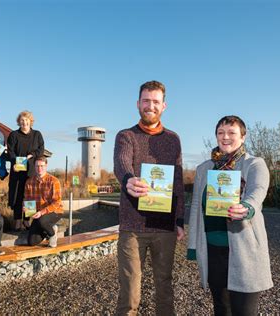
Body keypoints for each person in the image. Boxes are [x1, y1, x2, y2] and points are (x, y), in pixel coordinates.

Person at [187, 115, 273, 315]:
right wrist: (193, 245)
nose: (225, 137)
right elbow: (195, 209)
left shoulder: (254, 164)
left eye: (232, 132)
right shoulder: (204, 169)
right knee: (221, 308)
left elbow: (258, 190)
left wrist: (247, 207)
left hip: (244, 250)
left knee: (244, 311)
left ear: (243, 137)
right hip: (213, 250)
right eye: (220, 132)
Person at [113, 80, 185, 315]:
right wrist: (128, 180)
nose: (150, 106)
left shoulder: (173, 139)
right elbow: (122, 162)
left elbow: (177, 182)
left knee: (164, 288)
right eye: (146, 101)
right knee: (130, 293)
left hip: (164, 227)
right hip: (132, 227)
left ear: (164, 106)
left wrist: (179, 220)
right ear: (138, 104)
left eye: (155, 102)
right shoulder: (126, 136)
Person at [7, 111, 45, 231]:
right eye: (22, 120)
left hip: (31, 171)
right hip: (18, 170)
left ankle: (27, 220)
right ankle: (17, 221)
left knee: (30, 197)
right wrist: (15, 161)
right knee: (17, 195)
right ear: (19, 121)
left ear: (30, 121)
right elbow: (10, 151)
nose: (24, 122)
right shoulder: (14, 135)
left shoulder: (37, 135)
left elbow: (41, 149)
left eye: (26, 120)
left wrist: (31, 155)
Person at [23, 157, 63, 247]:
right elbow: (27, 199)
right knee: (32, 242)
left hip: (55, 211)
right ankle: (50, 229)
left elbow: (57, 202)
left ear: (46, 166)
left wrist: (42, 212)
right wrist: (28, 210)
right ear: (34, 166)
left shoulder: (54, 181)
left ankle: (52, 235)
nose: (39, 168)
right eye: (37, 166)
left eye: (42, 166)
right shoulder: (29, 182)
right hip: (39, 214)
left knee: (42, 221)